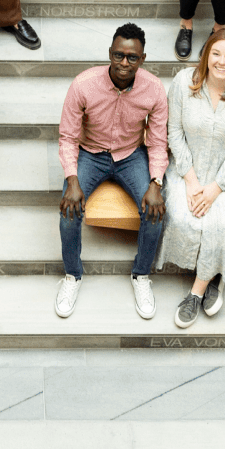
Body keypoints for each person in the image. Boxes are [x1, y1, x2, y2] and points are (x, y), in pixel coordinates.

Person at [55, 24, 167, 321]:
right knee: (69, 210)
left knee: (155, 211)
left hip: (131, 155)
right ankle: (72, 276)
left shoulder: (154, 88)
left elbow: (157, 142)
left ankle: (141, 275)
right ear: (109, 54)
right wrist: (72, 180)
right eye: (118, 55)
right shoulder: (83, 84)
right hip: (90, 153)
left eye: (132, 57)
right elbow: (67, 137)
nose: (124, 63)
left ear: (143, 59)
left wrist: (156, 181)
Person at [157, 29, 225, 329]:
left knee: (223, 222)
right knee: (182, 216)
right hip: (187, 168)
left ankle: (196, 292)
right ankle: (216, 273)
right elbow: (173, 132)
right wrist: (191, 180)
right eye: (216, 53)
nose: (222, 61)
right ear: (205, 56)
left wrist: (217, 187)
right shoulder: (183, 83)